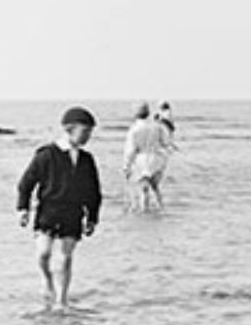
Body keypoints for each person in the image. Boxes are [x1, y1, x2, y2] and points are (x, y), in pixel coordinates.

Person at [17, 107, 103, 311]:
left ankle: (61, 300)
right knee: (43, 254)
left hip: (73, 214)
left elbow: (94, 191)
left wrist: (92, 217)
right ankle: (47, 281)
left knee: (65, 257)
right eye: (85, 131)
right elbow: (26, 183)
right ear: (69, 129)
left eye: (90, 132)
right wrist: (23, 208)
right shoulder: (46, 155)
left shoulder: (87, 160)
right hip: (48, 211)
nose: (88, 136)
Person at [122, 102, 172, 212]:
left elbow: (131, 150)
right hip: (157, 159)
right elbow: (165, 142)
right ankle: (162, 209)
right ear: (148, 113)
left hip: (141, 160)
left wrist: (126, 166)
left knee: (143, 189)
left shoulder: (134, 130)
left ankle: (145, 211)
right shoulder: (157, 126)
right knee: (155, 187)